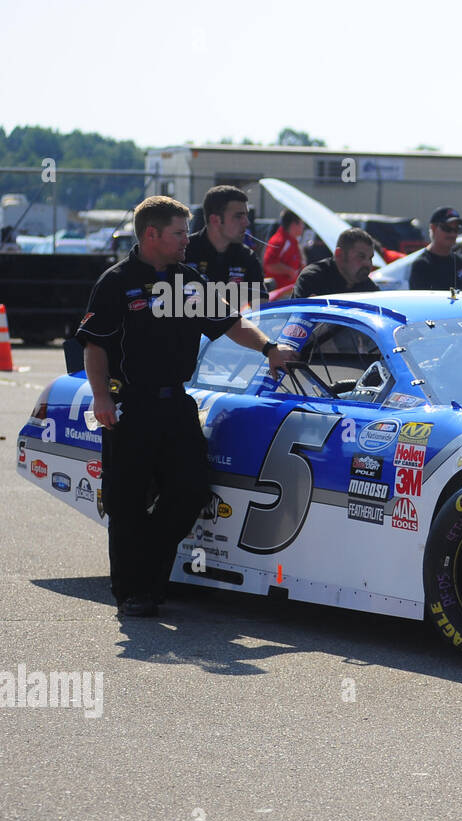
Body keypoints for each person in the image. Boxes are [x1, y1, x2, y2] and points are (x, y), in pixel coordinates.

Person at [76, 196, 293, 617]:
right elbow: (95, 345)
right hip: (129, 407)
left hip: (175, 403)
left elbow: (231, 322)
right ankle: (134, 593)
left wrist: (269, 347)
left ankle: (149, 570)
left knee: (190, 490)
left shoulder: (188, 280)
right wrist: (101, 396)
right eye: (178, 233)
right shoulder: (116, 282)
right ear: (151, 234)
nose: (185, 242)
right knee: (126, 502)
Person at [184, 185, 265, 307]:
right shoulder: (184, 252)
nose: (246, 222)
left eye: (246, 215)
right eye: (238, 216)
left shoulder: (247, 257)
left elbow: (260, 308)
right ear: (215, 220)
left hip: (235, 325)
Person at [409, 207, 462, 291]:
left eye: (456, 229)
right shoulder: (422, 264)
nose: (452, 234)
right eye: (447, 229)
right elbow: (424, 300)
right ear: (433, 228)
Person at [293, 228, 381, 298]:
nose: (368, 264)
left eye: (370, 258)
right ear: (339, 254)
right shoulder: (313, 279)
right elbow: (299, 317)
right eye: (361, 256)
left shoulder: (368, 288)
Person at [263, 209, 305, 293]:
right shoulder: (279, 240)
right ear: (293, 225)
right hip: (278, 295)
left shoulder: (292, 241)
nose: (303, 226)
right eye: (301, 223)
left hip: (289, 292)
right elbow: (269, 264)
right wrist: (289, 271)